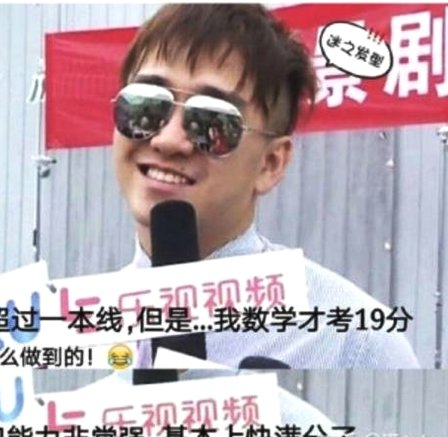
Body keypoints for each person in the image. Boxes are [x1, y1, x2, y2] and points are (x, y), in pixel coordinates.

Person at [110, 4, 420, 369]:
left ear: (271, 163)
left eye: (212, 121)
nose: (167, 139)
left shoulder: (354, 342)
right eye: (145, 105)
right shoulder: (66, 325)